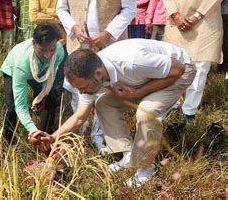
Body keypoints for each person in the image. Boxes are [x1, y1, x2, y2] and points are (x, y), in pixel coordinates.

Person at [30, 39, 196, 187]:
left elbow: (178, 69)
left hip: (179, 71)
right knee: (104, 104)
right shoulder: (91, 75)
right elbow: (80, 116)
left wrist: (138, 93)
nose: (82, 93)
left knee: (147, 113)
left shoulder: (132, 61)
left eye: (83, 88)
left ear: (98, 74)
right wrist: (53, 136)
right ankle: (129, 154)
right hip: (147, 76)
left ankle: (146, 170)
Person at [56, 0, 137, 151]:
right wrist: (73, 27)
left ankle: (99, 137)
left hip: (108, 45)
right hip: (79, 45)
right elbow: (61, 9)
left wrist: (109, 33)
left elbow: (129, 8)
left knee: (103, 91)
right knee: (77, 89)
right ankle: (79, 134)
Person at [161, 0, 227, 120]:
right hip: (177, 24)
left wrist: (198, 15)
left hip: (205, 22)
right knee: (173, 65)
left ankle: (189, 111)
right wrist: (175, 15)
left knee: (200, 67)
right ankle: (172, 105)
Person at [1, 23, 65, 144]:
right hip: (13, 70)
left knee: (51, 99)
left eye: (51, 50)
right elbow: (21, 104)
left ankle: (47, 139)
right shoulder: (22, 62)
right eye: (43, 51)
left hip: (41, 72)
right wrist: (33, 131)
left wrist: (42, 96)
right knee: (12, 107)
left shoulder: (59, 51)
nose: (48, 55)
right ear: (34, 44)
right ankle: (8, 142)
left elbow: (51, 75)